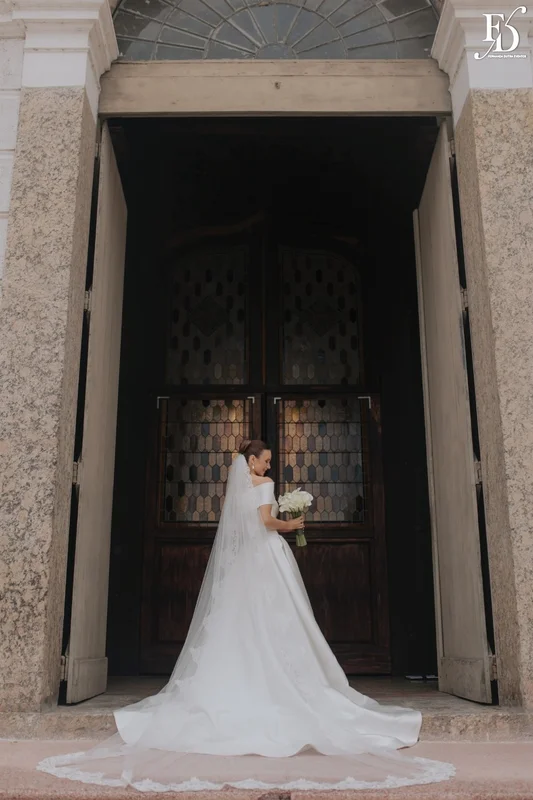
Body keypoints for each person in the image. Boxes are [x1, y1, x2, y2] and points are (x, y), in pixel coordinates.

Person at [37, 440, 455, 791]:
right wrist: (296, 524)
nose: (270, 464)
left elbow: (244, 525)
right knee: (280, 616)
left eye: (268, 461)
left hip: (246, 564)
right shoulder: (265, 484)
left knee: (238, 622)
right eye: (266, 459)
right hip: (268, 557)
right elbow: (267, 522)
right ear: (252, 461)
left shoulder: (236, 489)